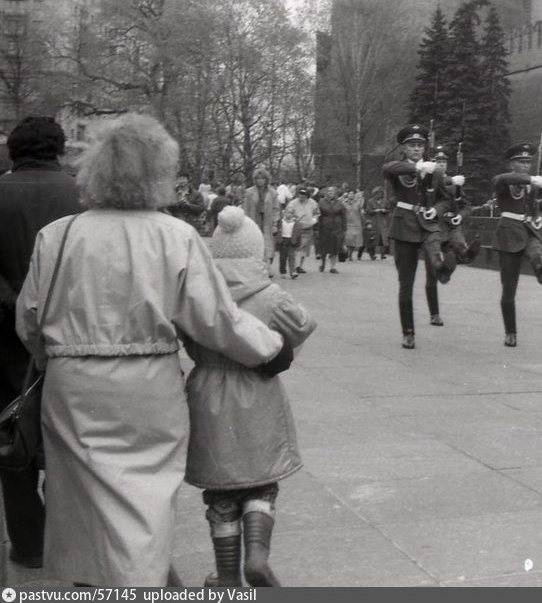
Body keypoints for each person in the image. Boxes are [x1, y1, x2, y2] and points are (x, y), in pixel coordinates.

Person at [14, 113, 294, 587]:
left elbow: (30, 321)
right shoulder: (174, 235)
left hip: (72, 389)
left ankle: (98, 585)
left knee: (81, 507)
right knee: (144, 504)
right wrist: (270, 348)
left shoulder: (58, 234)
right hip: (147, 389)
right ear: (160, 172)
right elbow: (216, 320)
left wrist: (61, 354)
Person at [183, 206, 316, 588]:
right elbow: (303, 325)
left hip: (207, 392)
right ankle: (257, 557)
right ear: (256, 250)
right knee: (260, 481)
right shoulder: (271, 294)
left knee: (221, 489)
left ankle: (227, 576)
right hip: (258, 391)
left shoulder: (197, 293)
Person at [0, 116, 85, 570]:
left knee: (10, 437)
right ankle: (68, 538)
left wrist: (15, 304)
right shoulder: (83, 197)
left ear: (14, 151)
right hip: (73, 335)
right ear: (60, 149)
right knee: (68, 436)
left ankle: (28, 544)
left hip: (3, 341)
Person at [381, 123, 448, 349]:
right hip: (404, 227)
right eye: (412, 145)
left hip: (428, 225)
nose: (417, 149)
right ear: (404, 148)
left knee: (435, 251)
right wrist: (416, 168)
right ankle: (408, 332)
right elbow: (388, 169)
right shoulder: (399, 168)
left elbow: (445, 199)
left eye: (420, 145)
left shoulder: (435, 172)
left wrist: (436, 210)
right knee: (406, 283)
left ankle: (442, 264)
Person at [492, 143, 542, 347]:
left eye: (528, 162)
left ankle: (540, 268)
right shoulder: (504, 181)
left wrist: (540, 218)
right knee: (509, 289)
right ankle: (510, 332)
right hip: (508, 235)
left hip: (528, 230)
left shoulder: (533, 186)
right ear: (512, 164)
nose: (526, 166)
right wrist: (531, 179)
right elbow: (502, 179)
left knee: (535, 248)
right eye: (521, 162)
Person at [423, 146, 480, 327]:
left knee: (457, 247)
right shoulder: (429, 181)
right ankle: (434, 314)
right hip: (432, 229)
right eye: (437, 162)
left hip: (450, 227)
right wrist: (451, 181)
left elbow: (466, 206)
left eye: (443, 162)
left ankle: (464, 255)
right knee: (431, 274)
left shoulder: (455, 184)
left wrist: (460, 216)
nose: (441, 164)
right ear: (432, 163)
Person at [242, 167, 281, 277]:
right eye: (258, 178)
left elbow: (276, 209)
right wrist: (245, 223)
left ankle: (268, 266)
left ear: (266, 179)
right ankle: (256, 267)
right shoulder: (249, 192)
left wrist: (275, 224)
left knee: (268, 243)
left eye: (262, 178)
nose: (260, 181)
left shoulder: (273, 192)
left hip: (268, 220)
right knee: (255, 242)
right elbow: (245, 208)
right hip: (254, 220)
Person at [285, 185, 319, 274]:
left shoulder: (312, 202)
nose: (302, 197)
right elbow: (288, 213)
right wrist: (293, 218)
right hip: (297, 228)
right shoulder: (293, 203)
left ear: (307, 195)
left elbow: (317, 213)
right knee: (296, 247)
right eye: (300, 195)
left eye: (304, 195)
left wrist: (314, 220)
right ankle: (295, 265)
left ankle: (300, 266)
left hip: (308, 228)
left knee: (305, 248)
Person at [316, 186, 347, 273]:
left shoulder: (340, 203)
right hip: (324, 227)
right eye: (329, 192)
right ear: (326, 193)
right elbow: (318, 215)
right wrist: (317, 227)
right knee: (324, 247)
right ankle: (323, 263)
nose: (331, 194)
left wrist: (344, 228)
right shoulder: (321, 202)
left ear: (335, 194)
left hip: (337, 227)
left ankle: (333, 267)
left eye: (332, 192)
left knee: (335, 248)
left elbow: (343, 216)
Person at [276, 205, 303, 279]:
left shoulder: (296, 223)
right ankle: (283, 271)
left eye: (291, 213)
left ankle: (293, 271)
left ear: (293, 214)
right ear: (284, 213)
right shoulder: (281, 221)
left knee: (292, 257)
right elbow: (278, 232)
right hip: (283, 240)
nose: (289, 214)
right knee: (282, 257)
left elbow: (298, 234)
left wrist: (298, 244)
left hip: (291, 240)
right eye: (288, 212)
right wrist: (278, 241)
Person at [365, 185, 390, 259]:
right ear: (375, 194)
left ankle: (383, 254)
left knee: (383, 238)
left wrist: (384, 210)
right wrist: (374, 211)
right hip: (374, 221)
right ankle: (372, 255)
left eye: (381, 193)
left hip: (382, 222)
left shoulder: (385, 201)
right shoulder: (370, 201)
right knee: (373, 238)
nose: (379, 195)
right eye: (378, 193)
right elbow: (368, 211)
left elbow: (388, 210)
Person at [341, 188, 365, 261]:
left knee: (354, 239)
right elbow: (338, 204)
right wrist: (343, 196)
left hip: (356, 222)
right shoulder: (344, 203)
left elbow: (361, 210)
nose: (351, 195)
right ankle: (347, 252)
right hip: (347, 223)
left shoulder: (357, 203)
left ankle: (350, 255)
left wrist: (360, 196)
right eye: (349, 193)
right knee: (348, 238)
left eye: (352, 194)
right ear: (347, 195)